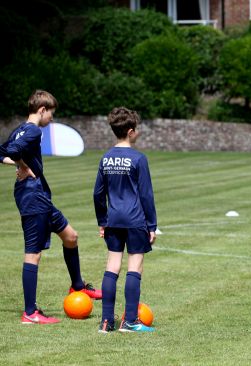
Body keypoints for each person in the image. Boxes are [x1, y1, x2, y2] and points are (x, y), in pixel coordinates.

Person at [0, 90, 101, 325]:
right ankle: (29, 312)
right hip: (32, 198)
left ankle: (78, 286)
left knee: (71, 236)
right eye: (51, 114)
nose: (52, 119)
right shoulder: (33, 130)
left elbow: (2, 151)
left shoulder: (19, 129)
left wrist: (18, 164)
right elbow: (12, 152)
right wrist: (22, 165)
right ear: (42, 110)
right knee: (33, 254)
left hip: (40, 197)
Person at [93, 107, 157, 333]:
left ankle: (106, 322)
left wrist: (103, 220)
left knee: (112, 266)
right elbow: (146, 195)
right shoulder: (139, 158)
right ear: (131, 131)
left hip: (113, 220)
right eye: (137, 129)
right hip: (135, 219)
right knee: (135, 267)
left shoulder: (105, 158)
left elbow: (98, 194)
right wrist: (152, 226)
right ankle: (130, 321)